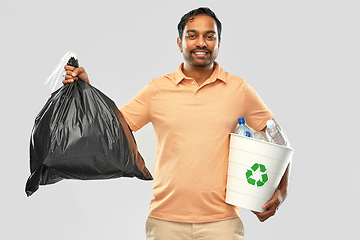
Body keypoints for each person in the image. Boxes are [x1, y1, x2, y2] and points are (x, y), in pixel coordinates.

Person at [63, 7, 291, 240]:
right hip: (165, 222)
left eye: (209, 36)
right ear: (180, 43)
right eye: (192, 35)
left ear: (219, 42)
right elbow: (110, 128)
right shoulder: (157, 90)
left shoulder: (238, 90)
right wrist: (86, 90)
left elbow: (279, 140)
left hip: (223, 223)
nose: (201, 42)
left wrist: (282, 192)